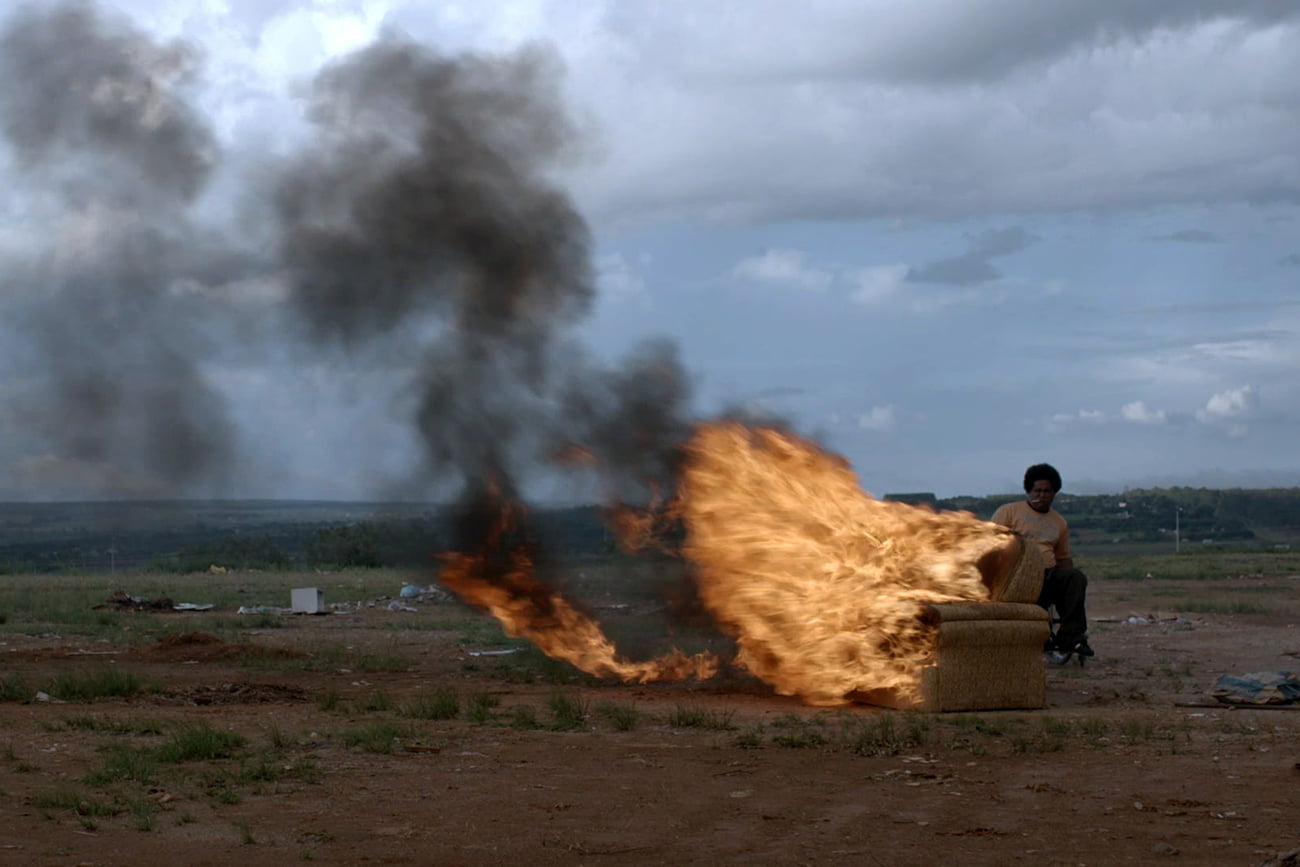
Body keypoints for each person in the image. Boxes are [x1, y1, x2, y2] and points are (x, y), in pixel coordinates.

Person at [992, 463, 1094, 663]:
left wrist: (1068, 585)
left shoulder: (1059, 522)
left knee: (1075, 578)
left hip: (1047, 576)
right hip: (1015, 577)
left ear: (1054, 493)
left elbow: (1063, 558)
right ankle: (1038, 637)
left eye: (1047, 491)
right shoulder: (1009, 512)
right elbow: (990, 543)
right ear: (1029, 491)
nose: (1042, 495)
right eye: (1037, 490)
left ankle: (1070, 637)